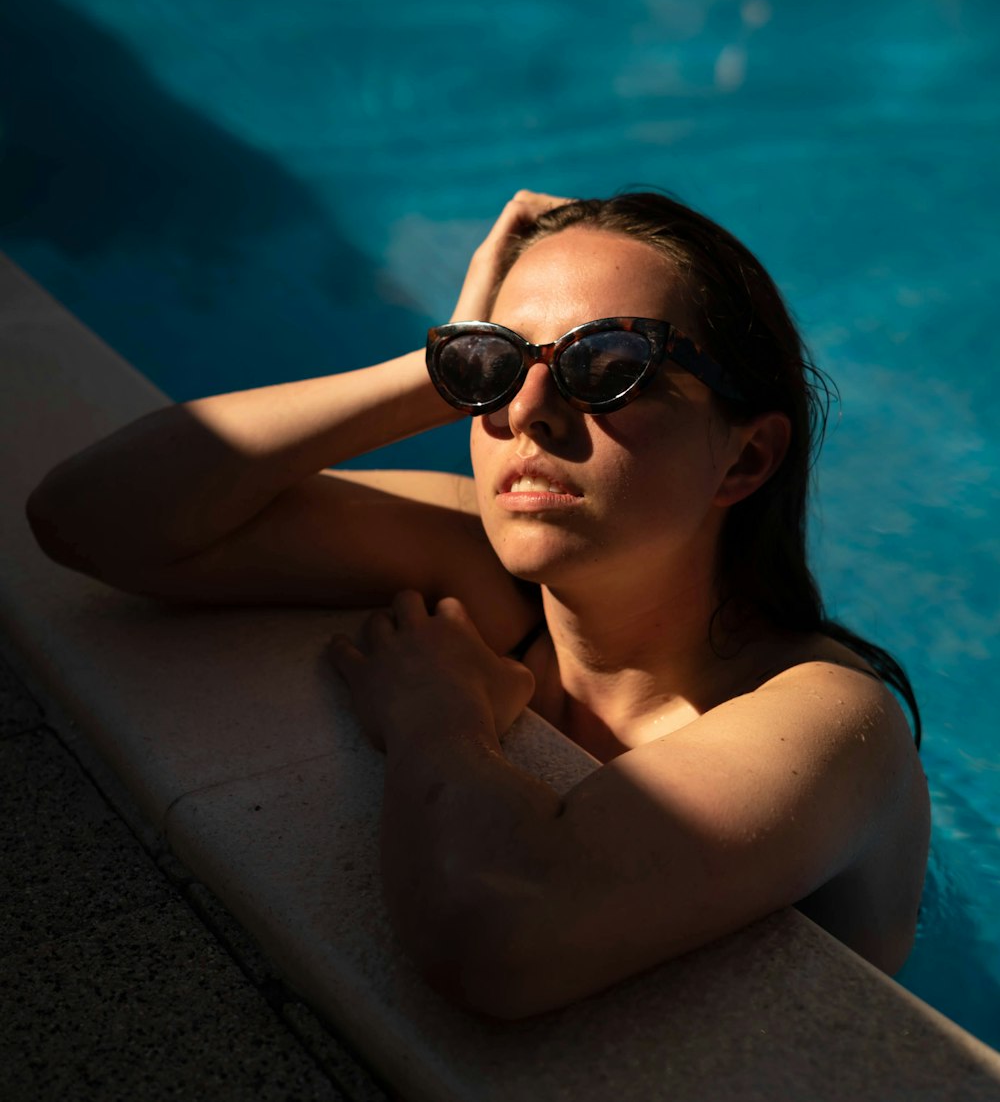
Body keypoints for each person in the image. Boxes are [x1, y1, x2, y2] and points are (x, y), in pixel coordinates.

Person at [26, 190, 930, 1020]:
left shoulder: (830, 720)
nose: (524, 411)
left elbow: (498, 939)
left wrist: (439, 721)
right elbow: (90, 520)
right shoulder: (503, 576)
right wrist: (439, 368)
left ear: (744, 460)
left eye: (606, 362)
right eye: (497, 365)